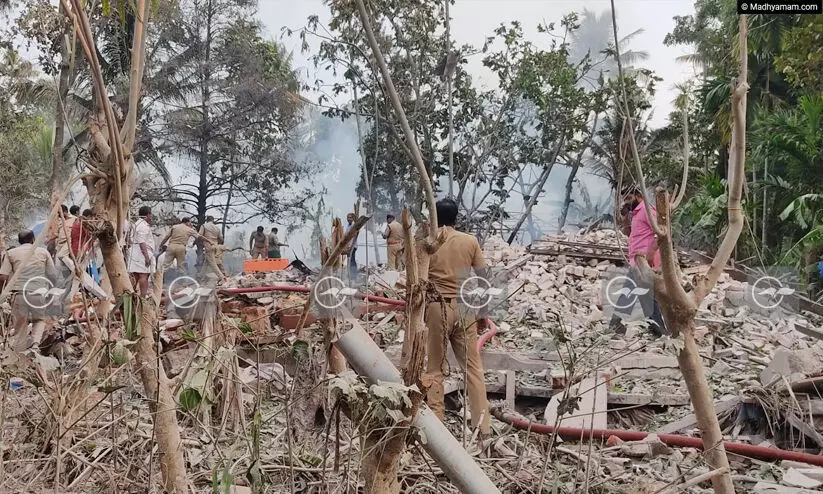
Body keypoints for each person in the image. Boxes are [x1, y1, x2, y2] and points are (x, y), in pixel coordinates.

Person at [424, 198, 490, 437]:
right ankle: (482, 427)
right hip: (464, 307)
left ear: (435, 218)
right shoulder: (470, 241)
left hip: (436, 306)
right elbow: (483, 278)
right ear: (456, 218)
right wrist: (483, 313)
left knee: (434, 368)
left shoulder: (427, 242)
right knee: (473, 368)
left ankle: (437, 430)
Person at [609, 187, 667, 336]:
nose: (626, 202)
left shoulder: (648, 211)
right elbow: (631, 234)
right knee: (646, 294)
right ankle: (656, 327)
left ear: (637, 196)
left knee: (630, 291)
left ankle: (617, 324)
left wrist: (651, 252)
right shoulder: (636, 213)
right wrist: (624, 219)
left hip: (644, 259)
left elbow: (661, 231)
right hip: (637, 259)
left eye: (629, 199)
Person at [0, 230, 59, 351]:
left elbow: (3, 276)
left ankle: (18, 353)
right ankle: (35, 345)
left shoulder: (10, 253)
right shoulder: (43, 252)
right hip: (38, 292)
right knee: (40, 319)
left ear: (19, 241)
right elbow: (52, 275)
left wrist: (3, 292)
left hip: (19, 293)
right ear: (33, 239)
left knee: (20, 325)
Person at [60, 209, 108, 301]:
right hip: (82, 250)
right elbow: (91, 235)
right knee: (85, 273)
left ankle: (75, 295)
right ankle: (89, 294)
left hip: (76, 250)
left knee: (79, 274)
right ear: (90, 216)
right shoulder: (84, 223)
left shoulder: (77, 221)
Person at [126, 206, 156, 296]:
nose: (151, 217)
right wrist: (146, 256)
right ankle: (142, 297)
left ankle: (131, 295)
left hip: (134, 252)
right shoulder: (143, 226)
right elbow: (142, 242)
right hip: (141, 253)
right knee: (143, 275)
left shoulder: (137, 224)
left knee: (134, 274)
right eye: (150, 215)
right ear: (147, 215)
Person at [344, 213, 358, 279]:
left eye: (350, 217)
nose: (348, 219)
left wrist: (350, 246)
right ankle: (350, 275)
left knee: (352, 260)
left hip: (352, 245)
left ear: (353, 219)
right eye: (348, 217)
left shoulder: (353, 226)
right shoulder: (348, 226)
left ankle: (353, 275)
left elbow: (353, 237)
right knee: (349, 260)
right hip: (348, 246)